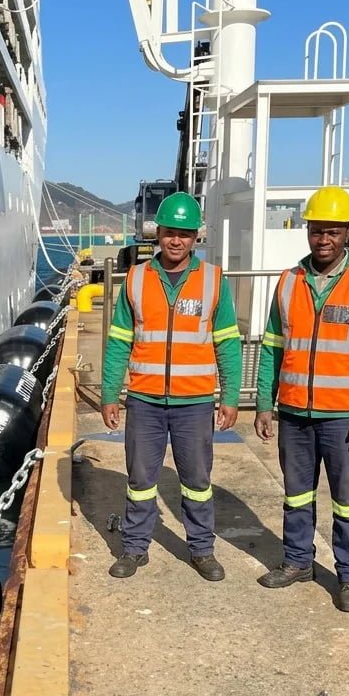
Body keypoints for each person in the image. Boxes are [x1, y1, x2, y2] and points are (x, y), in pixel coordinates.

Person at [253, 186, 349, 612]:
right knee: (296, 494)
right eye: (317, 231)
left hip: (344, 418)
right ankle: (298, 561)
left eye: (332, 231)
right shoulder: (288, 282)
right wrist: (264, 403)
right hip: (295, 412)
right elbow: (272, 347)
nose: (323, 240)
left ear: (347, 232)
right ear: (308, 232)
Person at [100, 192, 243, 581]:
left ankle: (201, 550)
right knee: (140, 480)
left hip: (194, 403)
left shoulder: (213, 281)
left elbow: (228, 343)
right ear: (157, 234)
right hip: (144, 401)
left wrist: (230, 396)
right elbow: (119, 341)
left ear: (196, 237)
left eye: (184, 234)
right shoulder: (137, 279)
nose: (176, 241)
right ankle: (134, 548)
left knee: (196, 481)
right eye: (169, 233)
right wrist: (110, 393)